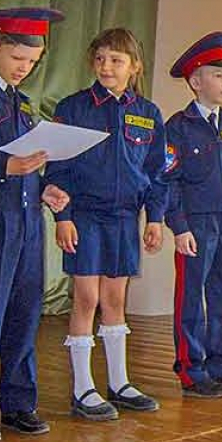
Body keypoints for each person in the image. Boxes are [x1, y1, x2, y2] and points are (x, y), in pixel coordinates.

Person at [49, 28, 168, 421]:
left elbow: (156, 173)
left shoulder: (148, 114)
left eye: (116, 60)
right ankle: (83, 388)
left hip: (123, 219)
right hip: (84, 215)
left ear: (134, 67)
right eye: (100, 58)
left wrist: (156, 218)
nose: (106, 67)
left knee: (116, 301)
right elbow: (58, 168)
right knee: (86, 299)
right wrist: (62, 217)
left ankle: (119, 382)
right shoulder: (73, 107)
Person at [0, 7, 70, 442]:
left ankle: (18, 404)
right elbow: (2, 160)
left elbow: (28, 159)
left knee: (24, 314)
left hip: (25, 221)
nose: (24, 68)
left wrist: (42, 190)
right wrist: (4, 166)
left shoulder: (21, 102)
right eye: (18, 57)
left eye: (32, 63)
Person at [163, 32, 222, 398]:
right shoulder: (178, 127)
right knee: (191, 297)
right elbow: (168, 179)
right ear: (195, 81)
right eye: (218, 75)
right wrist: (179, 225)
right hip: (197, 223)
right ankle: (191, 369)